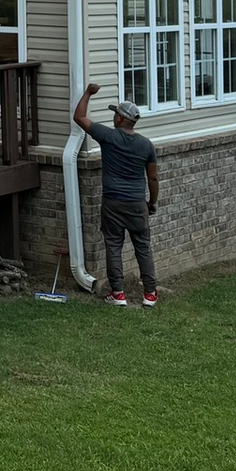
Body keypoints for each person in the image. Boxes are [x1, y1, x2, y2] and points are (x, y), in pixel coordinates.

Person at [73, 81, 159, 307]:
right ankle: (150, 294)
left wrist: (88, 93)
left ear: (120, 119)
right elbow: (153, 178)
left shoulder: (109, 137)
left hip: (112, 203)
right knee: (143, 246)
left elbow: (79, 117)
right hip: (136, 203)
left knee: (113, 246)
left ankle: (118, 294)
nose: (114, 117)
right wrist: (152, 202)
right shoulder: (146, 145)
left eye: (116, 114)